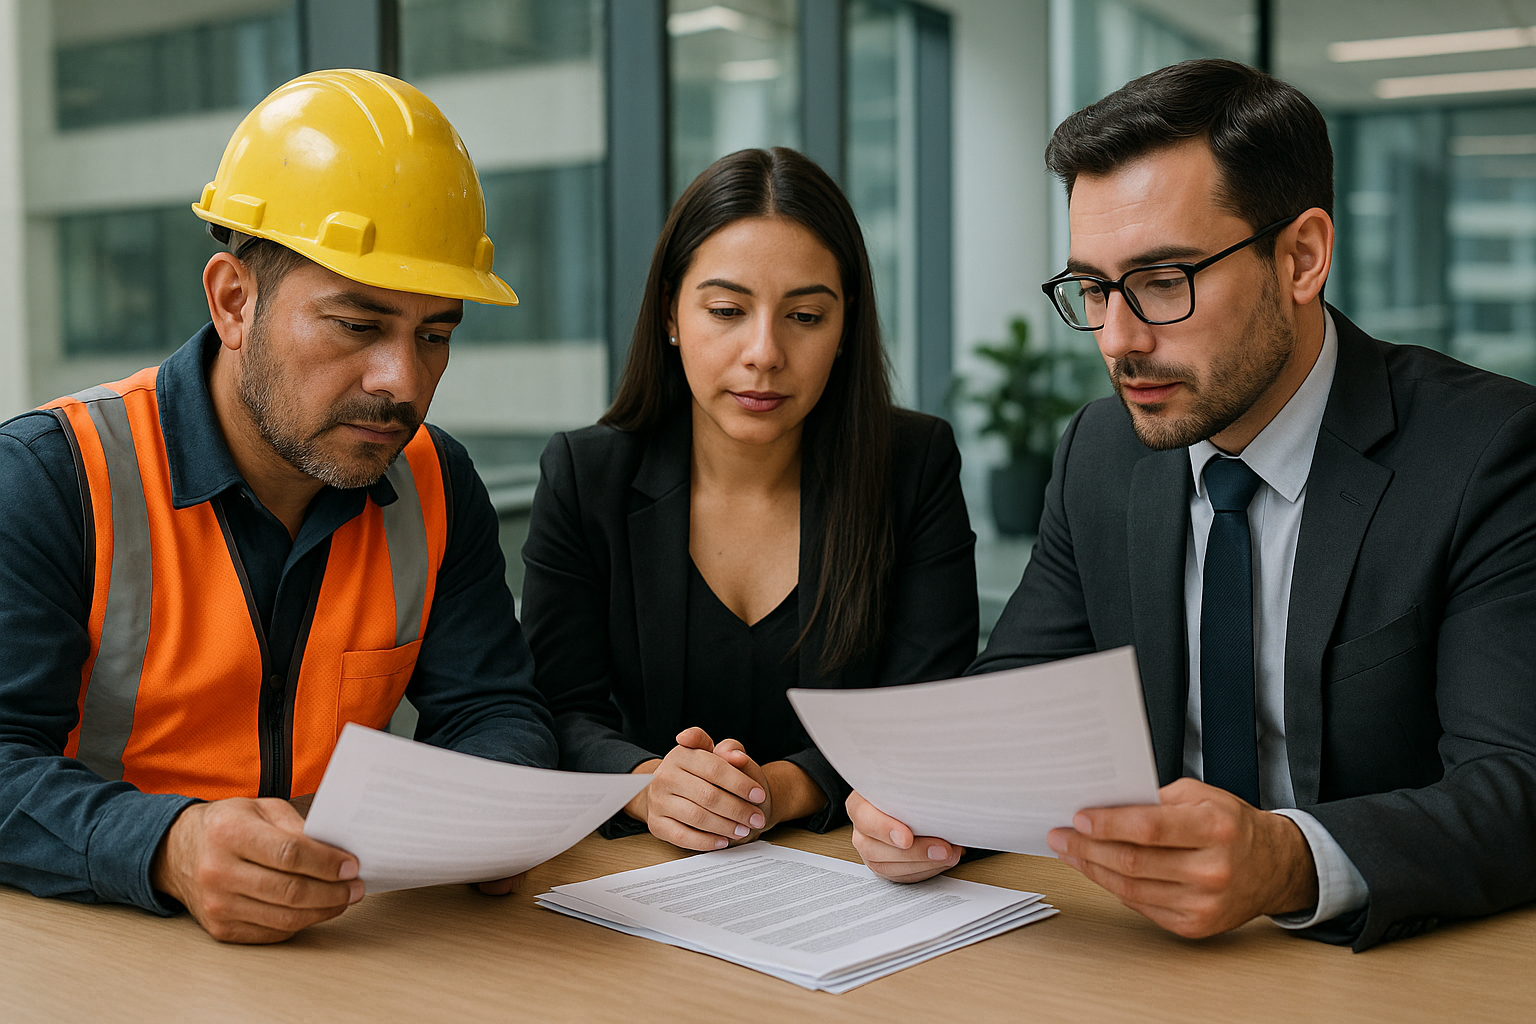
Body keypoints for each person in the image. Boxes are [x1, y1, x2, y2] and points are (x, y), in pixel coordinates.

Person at [846, 59, 1536, 950]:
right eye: (1093, 288)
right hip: (1146, 957)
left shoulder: (1486, 453)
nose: (1118, 339)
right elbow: (1019, 700)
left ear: (1301, 257)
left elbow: (1516, 782)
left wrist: (1288, 861)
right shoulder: (1101, 451)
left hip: (1389, 966)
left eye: (1164, 281)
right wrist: (928, 799)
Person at [0, 70, 557, 944]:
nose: (402, 382)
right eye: (358, 325)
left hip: (342, 945)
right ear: (234, 301)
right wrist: (169, 846)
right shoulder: (50, 478)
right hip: (97, 952)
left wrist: (489, 809)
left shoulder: (435, 481)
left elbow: (495, 709)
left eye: (435, 334)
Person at [521, 147, 978, 852]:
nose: (764, 352)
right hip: (637, 871)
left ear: (846, 326)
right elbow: (554, 708)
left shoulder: (912, 466)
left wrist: (778, 789)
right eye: (728, 310)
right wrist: (648, 784)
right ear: (672, 313)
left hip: (858, 867)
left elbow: (926, 712)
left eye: (805, 316)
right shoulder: (586, 475)